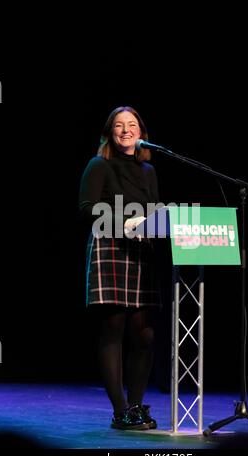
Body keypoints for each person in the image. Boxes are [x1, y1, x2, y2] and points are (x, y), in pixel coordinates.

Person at [79, 106, 162, 430]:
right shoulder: (99, 164)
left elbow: (155, 211)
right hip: (111, 247)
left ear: (141, 132)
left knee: (145, 334)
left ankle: (137, 406)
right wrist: (126, 222)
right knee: (113, 330)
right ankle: (120, 411)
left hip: (142, 252)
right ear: (110, 132)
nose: (125, 130)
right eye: (118, 125)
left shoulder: (148, 171)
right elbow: (86, 209)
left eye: (131, 125)